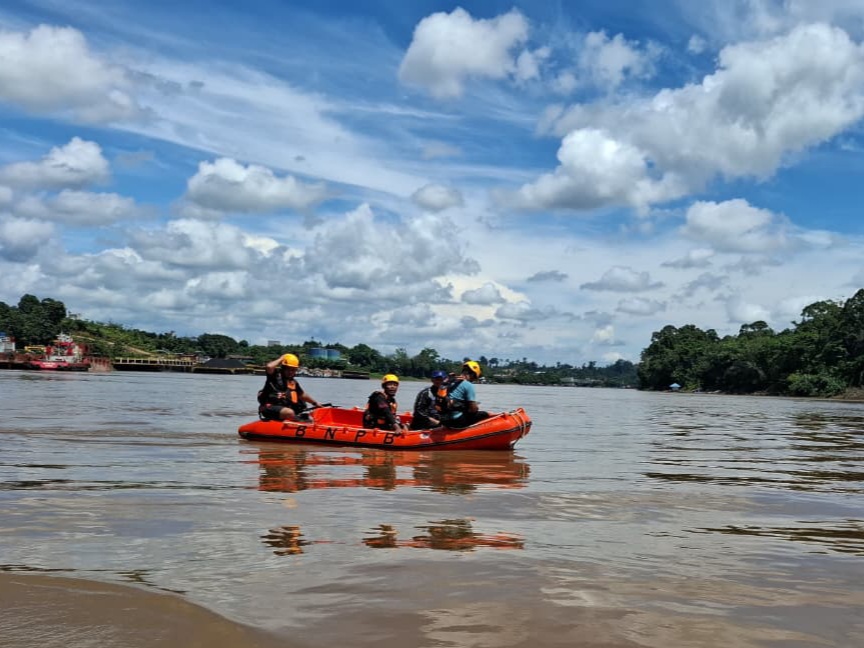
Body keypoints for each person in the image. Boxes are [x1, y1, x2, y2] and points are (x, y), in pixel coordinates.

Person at [258, 353, 320, 421]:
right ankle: (300, 421)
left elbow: (302, 395)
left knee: (302, 404)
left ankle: (299, 418)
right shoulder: (274, 376)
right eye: (288, 369)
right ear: (283, 368)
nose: (290, 372)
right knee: (289, 412)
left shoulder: (293, 382)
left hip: (283, 408)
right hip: (269, 407)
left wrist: (315, 403)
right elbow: (269, 367)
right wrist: (281, 358)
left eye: (293, 370)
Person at [440, 360, 489, 429]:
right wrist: (475, 407)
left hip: (445, 420)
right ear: (473, 375)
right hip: (457, 421)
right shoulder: (468, 385)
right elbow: (473, 409)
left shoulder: (452, 382)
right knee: (484, 414)